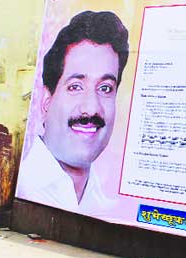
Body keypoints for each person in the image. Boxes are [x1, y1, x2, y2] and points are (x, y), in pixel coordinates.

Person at [17, 11, 129, 214]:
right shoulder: (22, 187)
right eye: (75, 87)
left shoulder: (109, 207)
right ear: (46, 101)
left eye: (105, 88)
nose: (91, 108)